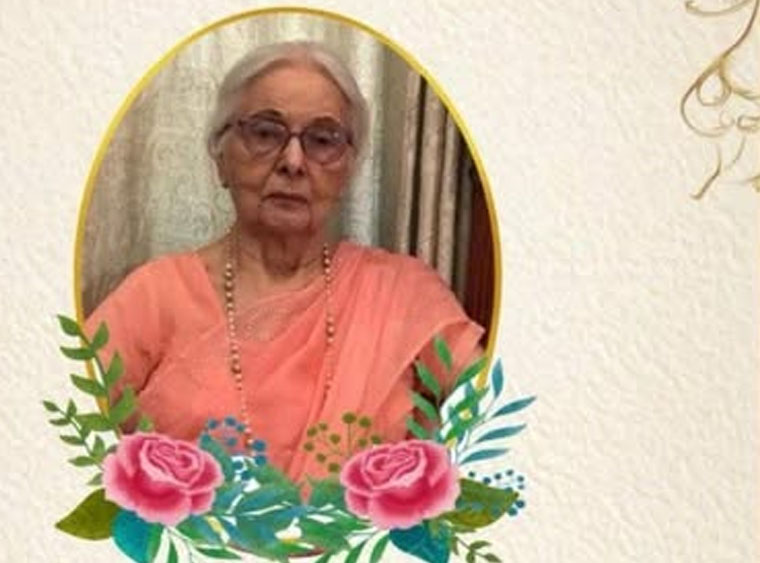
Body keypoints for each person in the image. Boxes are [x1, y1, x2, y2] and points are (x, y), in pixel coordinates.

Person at [85, 40, 484, 484]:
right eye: (265, 133)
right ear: (220, 159)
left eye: (323, 140)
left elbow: (499, 413)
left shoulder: (402, 293)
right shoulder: (156, 295)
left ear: (347, 171)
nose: (293, 162)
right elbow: (62, 427)